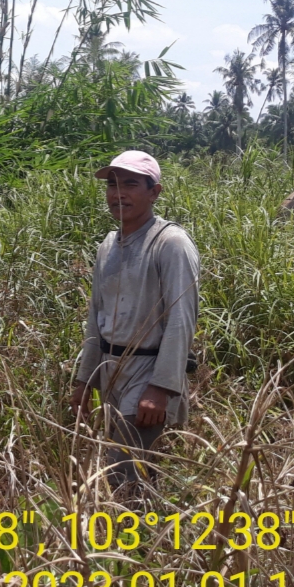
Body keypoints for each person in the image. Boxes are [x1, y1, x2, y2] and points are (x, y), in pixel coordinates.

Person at [69, 150, 199, 492]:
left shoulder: (170, 243)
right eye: (112, 185)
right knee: (132, 473)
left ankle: (134, 541)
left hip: (148, 373)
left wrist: (161, 387)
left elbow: (181, 320)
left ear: (154, 192)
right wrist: (85, 381)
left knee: (124, 475)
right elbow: (95, 319)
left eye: (130, 184)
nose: (118, 193)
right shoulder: (108, 245)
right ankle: (143, 538)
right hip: (112, 372)